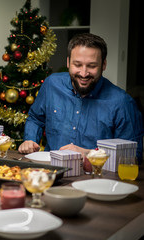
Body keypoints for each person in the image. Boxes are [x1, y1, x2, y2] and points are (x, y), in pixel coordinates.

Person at [18, 33, 144, 164]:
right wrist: (30, 140)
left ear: (104, 64)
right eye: (77, 65)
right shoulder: (51, 84)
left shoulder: (122, 102)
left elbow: (134, 156)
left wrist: (89, 154)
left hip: (96, 179)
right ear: (68, 62)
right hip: (51, 173)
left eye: (92, 66)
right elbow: (35, 118)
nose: (84, 73)